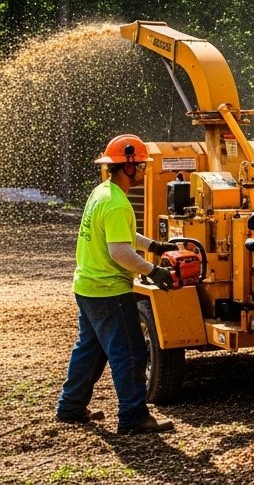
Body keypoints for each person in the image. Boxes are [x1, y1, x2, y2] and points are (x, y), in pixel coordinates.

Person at [56, 134, 178, 433]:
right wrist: (154, 271)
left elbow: (120, 235)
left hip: (87, 285)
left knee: (90, 348)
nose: (146, 171)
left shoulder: (103, 193)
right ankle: (133, 416)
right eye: (142, 166)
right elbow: (119, 251)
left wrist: (154, 246)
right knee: (131, 352)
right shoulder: (117, 204)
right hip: (109, 290)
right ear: (128, 167)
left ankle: (70, 406)